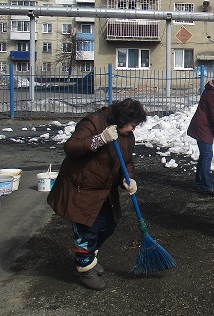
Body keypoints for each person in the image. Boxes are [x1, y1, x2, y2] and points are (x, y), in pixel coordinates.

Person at [47, 98, 147, 291]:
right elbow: (71, 147)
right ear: (121, 119)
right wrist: (100, 139)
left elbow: (127, 161)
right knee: (87, 232)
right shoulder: (94, 122)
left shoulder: (127, 136)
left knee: (109, 225)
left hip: (104, 190)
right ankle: (84, 268)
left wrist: (129, 179)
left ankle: (88, 257)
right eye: (132, 125)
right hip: (81, 189)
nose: (132, 130)